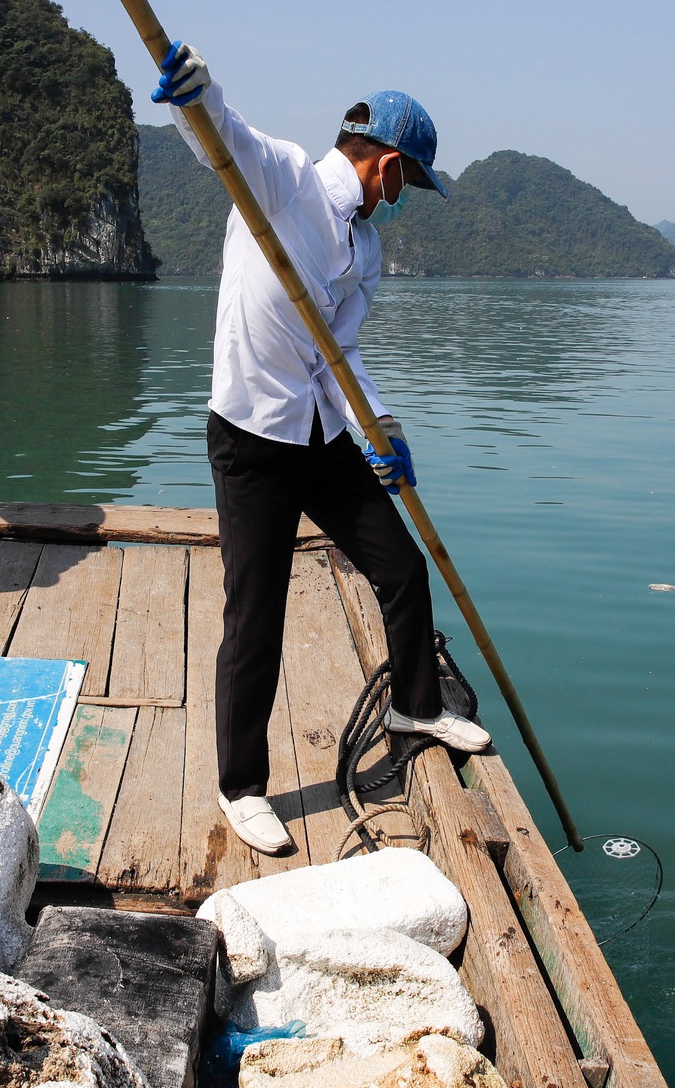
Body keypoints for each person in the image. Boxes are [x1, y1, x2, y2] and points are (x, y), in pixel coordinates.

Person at [153, 43, 491, 855]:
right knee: (255, 613)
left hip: (322, 432)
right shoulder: (284, 182)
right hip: (252, 437)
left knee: (402, 568)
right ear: (385, 164)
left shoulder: (366, 251)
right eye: (409, 179)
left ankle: (415, 701)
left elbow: (343, 355)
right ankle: (241, 785)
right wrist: (192, 93)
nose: (405, 196)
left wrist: (385, 431)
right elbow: (220, 135)